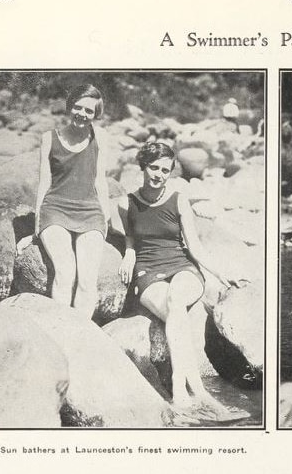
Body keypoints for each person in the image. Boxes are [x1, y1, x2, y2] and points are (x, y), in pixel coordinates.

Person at [118, 142, 245, 413]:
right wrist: (129, 254)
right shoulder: (126, 203)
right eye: (153, 167)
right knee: (176, 316)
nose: (159, 174)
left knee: (176, 300)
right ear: (142, 166)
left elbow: (195, 247)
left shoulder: (179, 200)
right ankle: (198, 391)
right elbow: (131, 237)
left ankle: (181, 388)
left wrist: (221, 273)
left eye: (165, 170)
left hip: (181, 266)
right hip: (148, 271)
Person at [34, 84, 109, 318]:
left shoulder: (101, 137)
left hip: (89, 212)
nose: (82, 114)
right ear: (70, 107)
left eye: (89, 111)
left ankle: (80, 337)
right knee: (66, 271)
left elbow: (101, 181)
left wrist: (104, 217)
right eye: (77, 107)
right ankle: (60, 332)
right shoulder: (49, 138)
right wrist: (37, 222)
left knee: (87, 280)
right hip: (55, 209)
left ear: (96, 114)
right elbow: (44, 182)